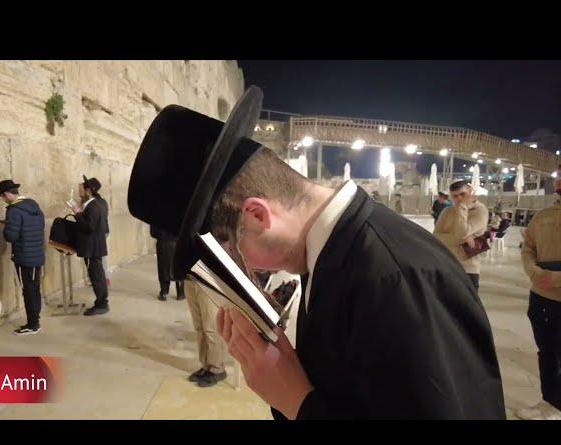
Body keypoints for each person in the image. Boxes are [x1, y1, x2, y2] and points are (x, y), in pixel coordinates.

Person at [127, 87, 505, 419]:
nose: (245, 270)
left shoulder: (396, 277)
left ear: (257, 215)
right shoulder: (326, 258)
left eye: (230, 253)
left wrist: (297, 402)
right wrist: (281, 370)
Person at [516, 172, 561, 420]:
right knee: (547, 350)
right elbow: (528, 248)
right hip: (541, 296)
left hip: (551, 287)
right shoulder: (543, 216)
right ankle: (549, 401)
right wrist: (534, 273)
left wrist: (552, 278)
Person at [0, 179, 45, 335]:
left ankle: (32, 324)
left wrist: (6, 225)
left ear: (6, 194)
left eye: (2, 197)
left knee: (28, 290)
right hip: (37, 254)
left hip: (24, 256)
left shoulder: (14, 210)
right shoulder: (33, 205)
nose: (3, 200)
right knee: (34, 288)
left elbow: (10, 236)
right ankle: (35, 320)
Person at [434, 180, 489, 291]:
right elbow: (435, 237)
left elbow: (462, 233)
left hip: (468, 268)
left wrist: (463, 207)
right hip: (446, 264)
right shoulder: (447, 212)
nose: (459, 198)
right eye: (455, 196)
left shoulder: (480, 211)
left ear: (470, 191)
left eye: (463, 194)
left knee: (467, 307)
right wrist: (462, 238)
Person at [71, 175, 109, 316]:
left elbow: (90, 227)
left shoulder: (92, 206)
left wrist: (77, 214)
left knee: (96, 276)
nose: (79, 192)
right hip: (95, 246)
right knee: (97, 275)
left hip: (91, 247)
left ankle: (101, 304)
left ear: (88, 191)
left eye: (81, 190)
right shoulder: (99, 203)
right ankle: (101, 302)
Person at [184, 279, 226, 387]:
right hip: (189, 277)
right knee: (199, 327)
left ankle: (217, 369)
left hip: (207, 278)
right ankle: (206, 366)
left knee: (210, 328)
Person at [150, 225, 185, 301]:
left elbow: (153, 233)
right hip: (178, 242)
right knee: (178, 267)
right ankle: (180, 293)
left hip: (163, 243)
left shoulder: (156, 213)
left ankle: (164, 292)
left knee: (163, 268)